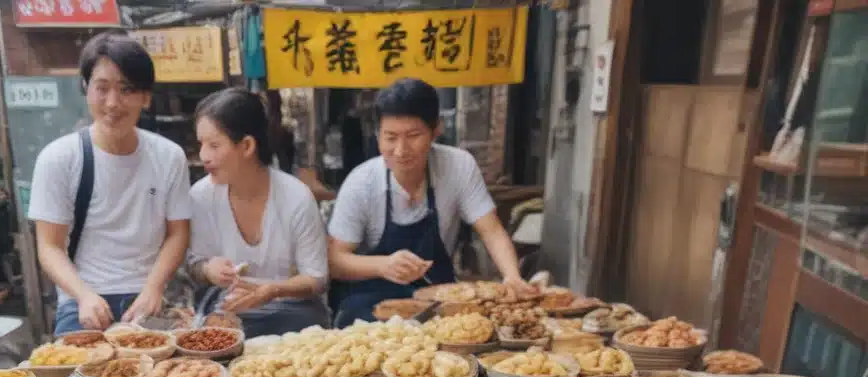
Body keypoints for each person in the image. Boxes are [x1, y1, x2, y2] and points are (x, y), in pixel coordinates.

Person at [328, 78, 534, 327]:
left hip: (437, 298)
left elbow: (491, 230)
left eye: (413, 135)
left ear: (436, 130)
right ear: (378, 135)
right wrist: (384, 266)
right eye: (390, 137)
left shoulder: (458, 166)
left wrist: (512, 277)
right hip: (371, 303)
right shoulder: (362, 183)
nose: (401, 150)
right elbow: (335, 261)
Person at [29, 31, 191, 333]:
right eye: (101, 88)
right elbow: (49, 247)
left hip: (148, 296)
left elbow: (178, 233)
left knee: (174, 375)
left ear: (145, 97)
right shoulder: (58, 158)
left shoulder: (170, 157)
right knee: (72, 375)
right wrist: (84, 295)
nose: (113, 103)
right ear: (86, 89)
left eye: (126, 90)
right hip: (83, 300)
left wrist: (154, 288)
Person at [187, 87, 329, 337]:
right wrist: (209, 268)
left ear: (247, 146)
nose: (203, 156)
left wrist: (272, 291)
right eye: (201, 145)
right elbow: (194, 264)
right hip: (230, 309)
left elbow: (316, 279)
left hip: (292, 310)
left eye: (214, 145)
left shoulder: (296, 197)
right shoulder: (201, 195)